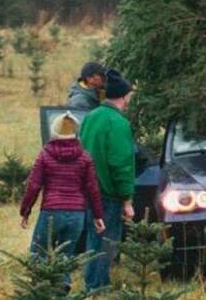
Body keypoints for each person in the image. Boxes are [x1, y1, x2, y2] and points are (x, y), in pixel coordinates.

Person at [19, 112, 105, 292]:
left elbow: (33, 186)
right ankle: (63, 287)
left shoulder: (45, 155)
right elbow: (92, 188)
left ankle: (39, 290)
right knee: (67, 253)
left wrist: (25, 211)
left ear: (54, 131)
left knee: (39, 252)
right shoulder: (85, 157)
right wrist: (98, 215)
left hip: (51, 211)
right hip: (77, 214)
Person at [80, 69, 136, 291]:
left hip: (86, 190)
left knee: (94, 238)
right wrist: (127, 200)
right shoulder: (119, 123)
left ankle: (96, 282)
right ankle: (96, 286)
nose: (130, 99)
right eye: (130, 96)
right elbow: (121, 165)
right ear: (123, 96)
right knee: (106, 240)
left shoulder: (90, 118)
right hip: (107, 193)